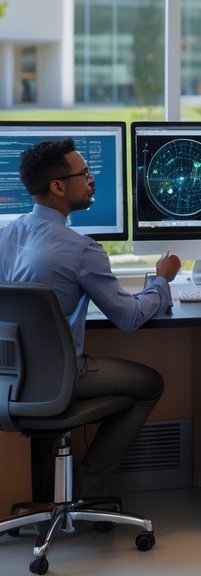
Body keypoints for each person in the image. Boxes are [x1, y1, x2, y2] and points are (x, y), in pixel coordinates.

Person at [0, 138, 180, 501]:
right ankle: (89, 489)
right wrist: (162, 279)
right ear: (57, 186)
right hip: (62, 377)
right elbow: (128, 318)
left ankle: (43, 495)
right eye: (84, 173)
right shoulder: (81, 249)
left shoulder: (6, 235)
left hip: (7, 380)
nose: (92, 179)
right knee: (151, 384)